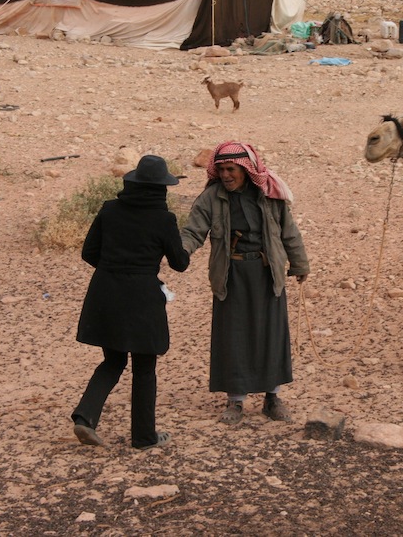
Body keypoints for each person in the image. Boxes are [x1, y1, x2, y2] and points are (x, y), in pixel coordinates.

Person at [181, 141, 309, 424]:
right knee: (234, 336)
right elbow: (193, 231)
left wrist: (299, 263)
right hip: (232, 275)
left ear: (245, 170)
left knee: (271, 334)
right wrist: (180, 251)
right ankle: (235, 401)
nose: (226, 175)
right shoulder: (212, 197)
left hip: (267, 274)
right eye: (222, 169)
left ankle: (272, 398)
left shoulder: (269, 194)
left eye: (231, 170)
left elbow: (289, 232)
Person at [71, 155, 189, 449]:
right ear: (161, 187)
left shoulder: (110, 210)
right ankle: (144, 437)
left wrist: (114, 269)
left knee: (112, 361)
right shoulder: (164, 219)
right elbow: (179, 263)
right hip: (143, 298)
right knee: (145, 368)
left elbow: (89, 252)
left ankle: (85, 418)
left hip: (106, 292)